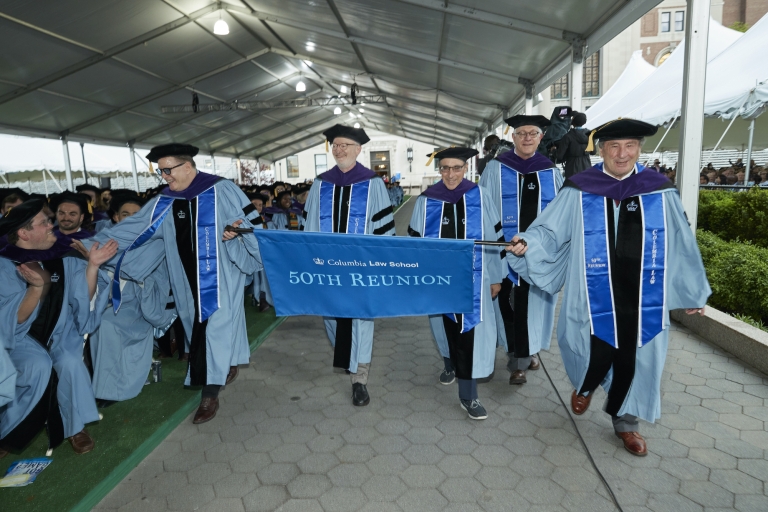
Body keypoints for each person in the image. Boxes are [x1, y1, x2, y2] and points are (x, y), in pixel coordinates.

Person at [505, 119, 711, 456]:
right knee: (580, 342)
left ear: (639, 149)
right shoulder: (580, 187)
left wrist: (692, 290)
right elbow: (550, 230)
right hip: (591, 290)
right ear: (601, 151)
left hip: (643, 292)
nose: (622, 153)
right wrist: (527, 241)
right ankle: (586, 385)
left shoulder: (657, 189)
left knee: (638, 354)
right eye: (614, 146)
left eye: (630, 145)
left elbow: (680, 240)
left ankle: (626, 423)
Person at [89, 143, 264, 424]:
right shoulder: (165, 200)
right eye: (161, 171)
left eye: (168, 170)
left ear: (187, 166)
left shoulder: (222, 189)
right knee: (198, 328)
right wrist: (89, 245)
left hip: (219, 277)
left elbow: (253, 223)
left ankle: (210, 393)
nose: (165, 176)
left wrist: (236, 230)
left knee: (216, 326)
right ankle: (222, 367)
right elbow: (132, 230)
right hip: (184, 279)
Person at [0, 199, 117, 457]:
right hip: (17, 342)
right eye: (44, 222)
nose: (52, 225)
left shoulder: (63, 255)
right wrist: (36, 288)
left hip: (59, 337)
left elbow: (82, 298)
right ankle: (9, 431)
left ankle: (74, 427)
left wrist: (93, 267)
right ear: (23, 233)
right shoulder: (5, 265)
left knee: (70, 363)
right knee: (36, 365)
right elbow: (14, 319)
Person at [408, 147, 504, 420]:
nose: (451, 174)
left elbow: (495, 239)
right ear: (439, 170)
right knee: (442, 328)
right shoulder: (426, 201)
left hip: (474, 280)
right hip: (438, 281)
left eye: (457, 168)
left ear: (465, 168)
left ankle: (468, 395)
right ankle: (449, 363)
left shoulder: (481, 196)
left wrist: (496, 277)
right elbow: (414, 245)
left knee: (469, 335)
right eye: (445, 168)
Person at [304, 124, 395, 407]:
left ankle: (360, 381)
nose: (339, 149)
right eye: (335, 145)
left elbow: (383, 229)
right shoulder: (321, 183)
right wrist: (310, 262)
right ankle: (348, 358)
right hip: (327, 267)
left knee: (361, 322)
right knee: (331, 319)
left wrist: (380, 266)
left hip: (361, 267)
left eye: (345, 145)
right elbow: (309, 226)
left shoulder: (373, 183)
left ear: (358, 149)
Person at [479, 115, 563, 386]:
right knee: (506, 303)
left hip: (537, 254)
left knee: (531, 305)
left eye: (533, 133)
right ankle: (518, 355)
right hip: (502, 250)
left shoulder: (551, 171)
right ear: (512, 138)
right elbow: (485, 208)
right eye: (521, 133)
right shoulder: (496, 168)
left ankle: (525, 355)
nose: (527, 138)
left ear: (541, 138)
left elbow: (561, 216)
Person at [90, 192, 175, 404]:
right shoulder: (106, 238)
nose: (130, 218)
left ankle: (110, 390)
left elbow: (161, 278)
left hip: (140, 301)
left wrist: (131, 272)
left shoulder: (156, 240)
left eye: (136, 215)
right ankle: (99, 384)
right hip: (106, 299)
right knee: (95, 321)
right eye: (125, 214)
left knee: (107, 325)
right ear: (116, 217)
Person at [555, 111, 591, 177]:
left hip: (572, 168)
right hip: (587, 166)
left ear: (573, 123)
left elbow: (559, 156)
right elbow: (593, 152)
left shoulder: (568, 136)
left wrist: (555, 150)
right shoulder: (589, 134)